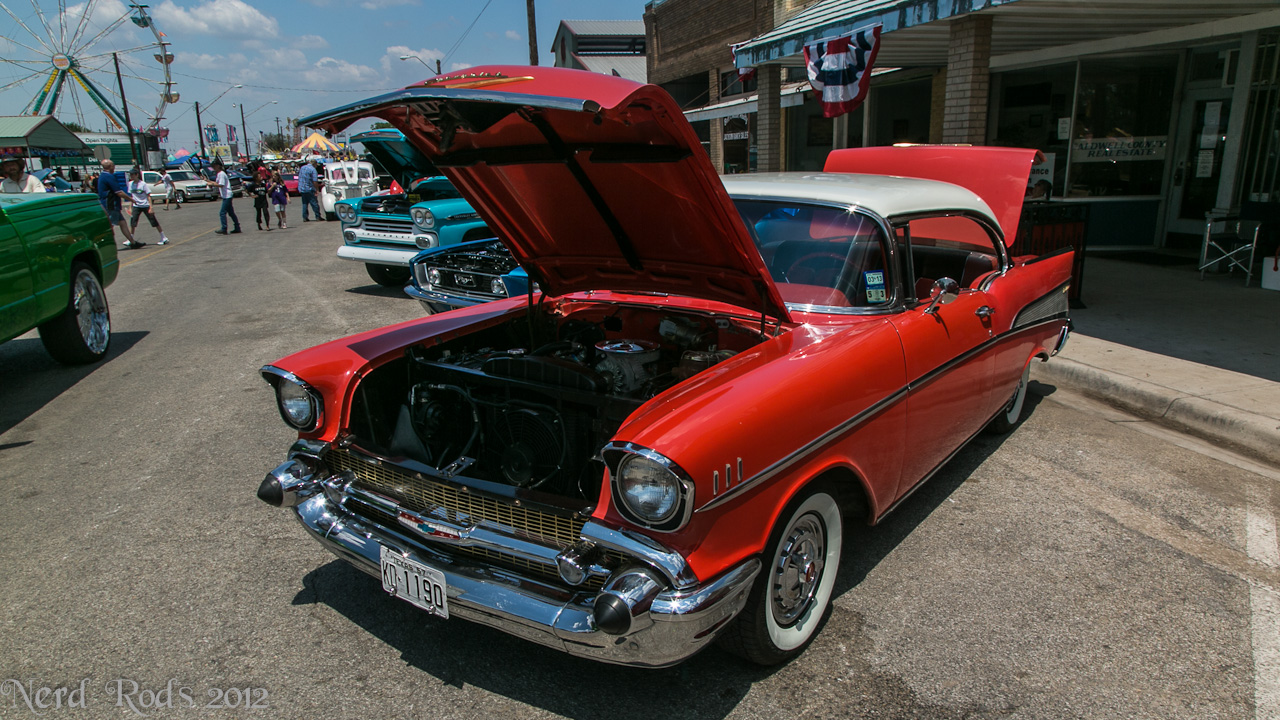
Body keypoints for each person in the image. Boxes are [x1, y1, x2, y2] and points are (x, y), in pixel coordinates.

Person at [97, 159, 142, 248]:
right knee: (110, 226)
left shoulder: (102, 175)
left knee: (122, 223)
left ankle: (132, 242)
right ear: (110, 167)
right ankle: (107, 245)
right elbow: (119, 192)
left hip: (111, 204)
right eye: (113, 165)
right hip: (111, 205)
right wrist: (131, 199)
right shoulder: (109, 176)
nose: (114, 167)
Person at [126, 167, 169, 245]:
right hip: (136, 206)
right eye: (130, 175)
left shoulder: (143, 184)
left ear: (136, 175)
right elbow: (132, 196)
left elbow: (149, 196)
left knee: (153, 221)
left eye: (132, 174)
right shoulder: (130, 184)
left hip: (145, 205)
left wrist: (151, 207)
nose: (131, 176)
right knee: (132, 222)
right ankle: (130, 239)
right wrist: (130, 207)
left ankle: (163, 237)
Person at [206, 158, 242, 235]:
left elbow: (221, 184)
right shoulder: (219, 174)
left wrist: (211, 184)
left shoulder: (221, 174)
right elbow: (216, 183)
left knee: (222, 213)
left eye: (214, 166)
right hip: (226, 195)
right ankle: (237, 227)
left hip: (227, 195)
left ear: (218, 166)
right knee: (231, 213)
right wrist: (208, 181)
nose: (214, 168)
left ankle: (224, 228)